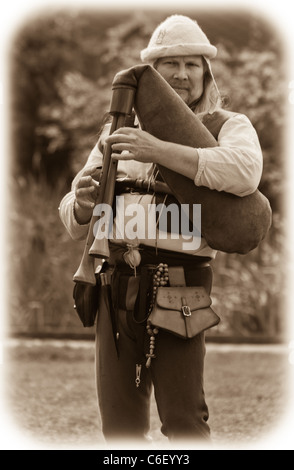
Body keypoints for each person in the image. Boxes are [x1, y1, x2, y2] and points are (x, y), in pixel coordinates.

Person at [59, 15, 263, 447]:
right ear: (153, 72)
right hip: (114, 283)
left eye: (192, 65)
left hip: (181, 287)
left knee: (185, 421)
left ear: (206, 74)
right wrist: (78, 205)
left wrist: (160, 150)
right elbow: (74, 218)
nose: (182, 74)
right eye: (171, 63)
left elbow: (246, 173)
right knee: (120, 427)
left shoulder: (228, 125)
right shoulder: (115, 130)